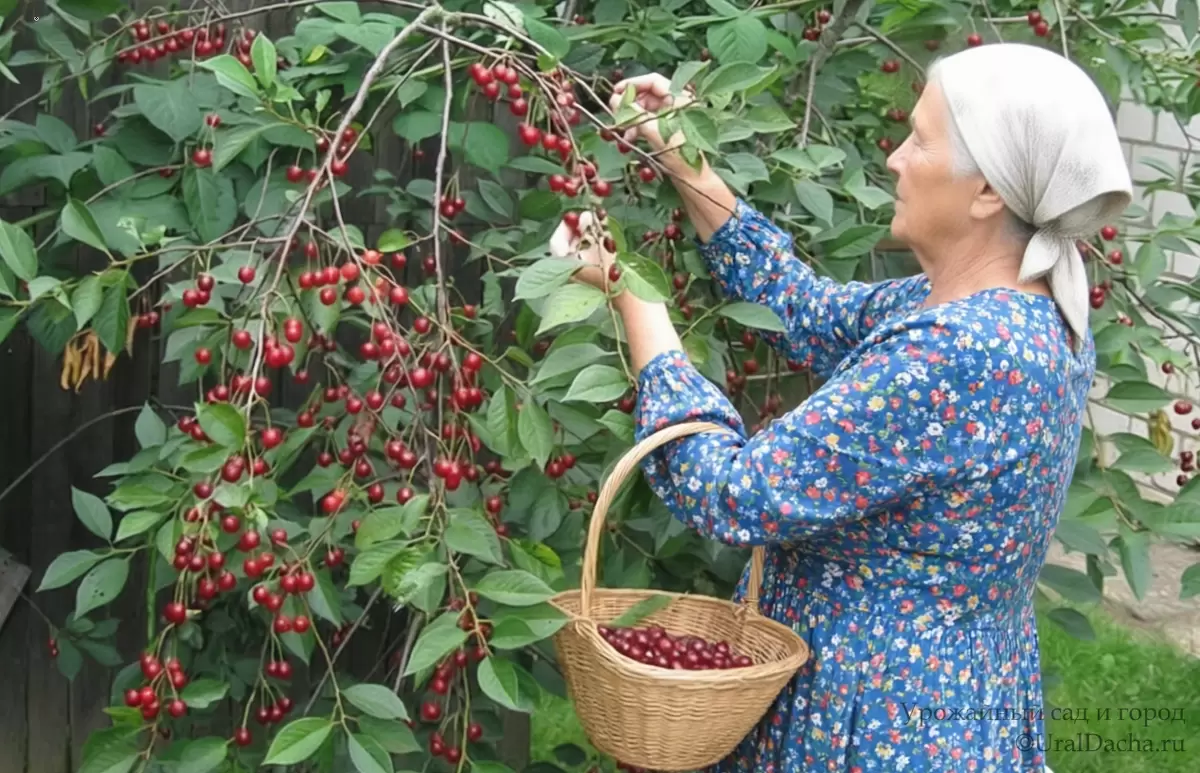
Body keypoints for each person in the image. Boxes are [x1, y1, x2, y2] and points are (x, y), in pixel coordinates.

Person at [548, 42, 1131, 772]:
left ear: (986, 191)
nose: (893, 157)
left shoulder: (960, 353)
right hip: (955, 694)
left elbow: (732, 492)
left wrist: (630, 293)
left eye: (919, 139)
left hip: (872, 714)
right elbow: (804, 306)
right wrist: (682, 155)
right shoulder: (1022, 309)